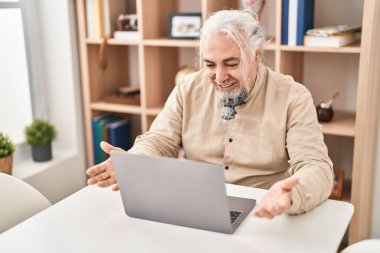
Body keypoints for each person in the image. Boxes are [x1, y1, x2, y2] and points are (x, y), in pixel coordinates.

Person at [86, 9, 333, 219]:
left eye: (232, 64)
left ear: (256, 56)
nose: (220, 76)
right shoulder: (187, 88)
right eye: (210, 65)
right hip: (195, 206)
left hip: (264, 211)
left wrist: (291, 196)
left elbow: (316, 167)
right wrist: (133, 162)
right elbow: (158, 140)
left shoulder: (293, 96)